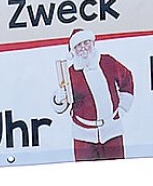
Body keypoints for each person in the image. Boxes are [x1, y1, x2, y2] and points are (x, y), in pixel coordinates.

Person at [52, 28, 134, 161]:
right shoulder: (70, 73)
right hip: (84, 137)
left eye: (86, 43)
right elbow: (64, 101)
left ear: (93, 43)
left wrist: (123, 108)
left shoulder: (107, 62)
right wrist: (59, 99)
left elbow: (126, 78)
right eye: (78, 45)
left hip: (111, 131)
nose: (83, 48)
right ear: (73, 50)